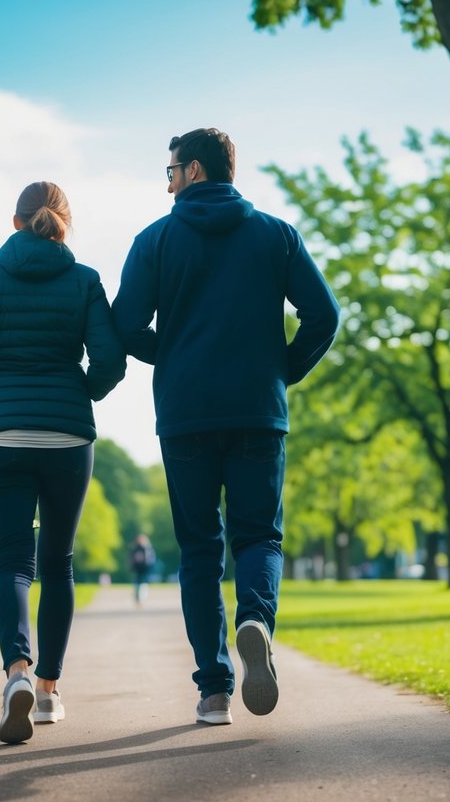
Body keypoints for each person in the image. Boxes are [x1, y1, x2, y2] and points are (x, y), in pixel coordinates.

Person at [111, 128, 339, 726]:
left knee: (199, 552)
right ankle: (256, 621)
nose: (166, 183)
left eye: (169, 172)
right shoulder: (276, 235)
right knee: (259, 537)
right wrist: (280, 369)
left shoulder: (154, 240)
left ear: (194, 171)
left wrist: (179, 354)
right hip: (257, 412)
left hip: (185, 415)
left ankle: (214, 692)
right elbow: (324, 314)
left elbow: (125, 324)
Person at [0, 181, 126, 744]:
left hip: (2, 438)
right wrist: (81, 392)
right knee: (58, 562)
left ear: (15, 221)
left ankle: (16, 672)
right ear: (66, 224)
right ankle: (46, 692)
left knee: (13, 562)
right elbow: (110, 359)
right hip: (67, 438)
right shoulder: (85, 280)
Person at [128, 533, 156, 606]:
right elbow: (151, 558)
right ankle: (139, 598)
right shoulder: (145, 547)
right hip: (141, 568)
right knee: (141, 583)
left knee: (141, 583)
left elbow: (151, 558)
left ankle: (139, 598)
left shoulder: (138, 548)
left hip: (143, 568)